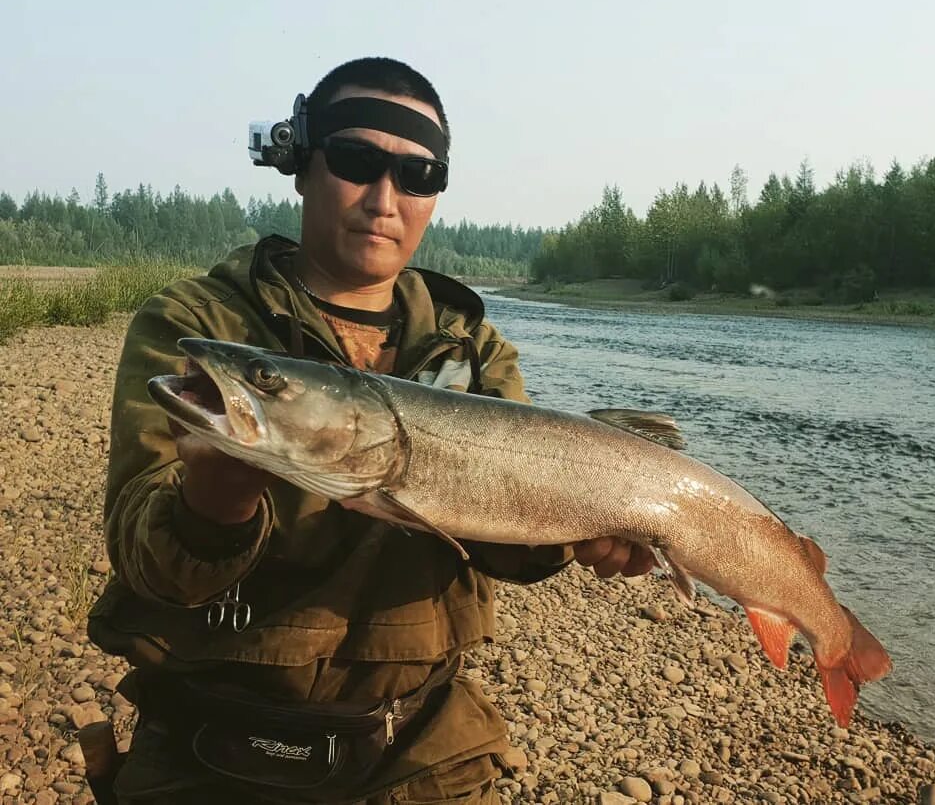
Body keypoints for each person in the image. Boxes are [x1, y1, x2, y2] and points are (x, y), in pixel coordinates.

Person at [87, 56, 656, 804]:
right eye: (357, 161)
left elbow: (505, 544)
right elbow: (146, 560)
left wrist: (579, 532)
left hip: (424, 752)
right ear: (301, 165)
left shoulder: (470, 346)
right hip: (217, 747)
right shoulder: (201, 327)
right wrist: (212, 504)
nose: (384, 199)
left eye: (418, 176)